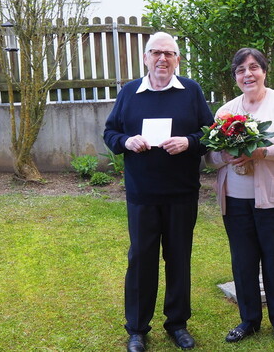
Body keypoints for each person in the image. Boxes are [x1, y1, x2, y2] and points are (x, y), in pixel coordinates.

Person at [103, 32, 214, 352]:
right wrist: (125, 141)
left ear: (178, 59)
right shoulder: (129, 93)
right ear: (145, 58)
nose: (162, 59)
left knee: (178, 258)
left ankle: (177, 323)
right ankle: (137, 328)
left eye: (169, 53)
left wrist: (189, 142)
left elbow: (209, 133)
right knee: (141, 260)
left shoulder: (191, 91)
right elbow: (110, 132)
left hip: (181, 192)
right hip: (142, 194)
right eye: (156, 53)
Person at [205, 48, 274, 345]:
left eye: (253, 68)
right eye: (240, 70)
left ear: (264, 71)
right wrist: (225, 155)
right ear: (235, 76)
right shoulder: (225, 111)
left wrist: (262, 152)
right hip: (235, 200)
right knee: (243, 261)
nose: (247, 74)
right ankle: (249, 320)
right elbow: (210, 158)